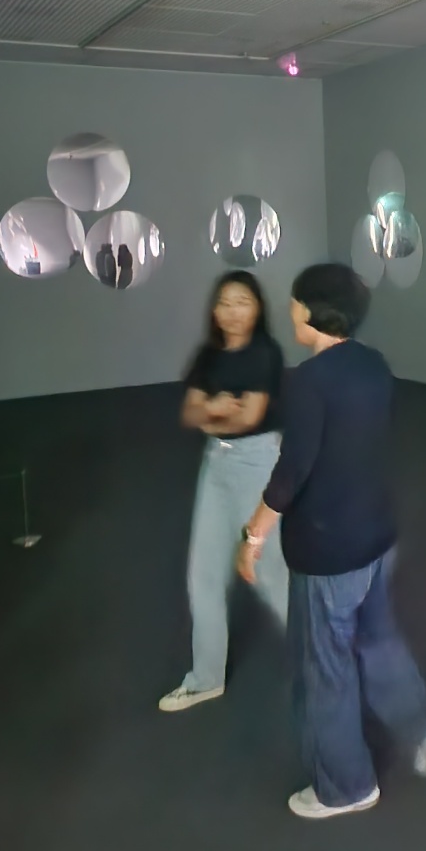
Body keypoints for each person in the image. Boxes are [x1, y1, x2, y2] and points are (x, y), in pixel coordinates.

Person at [238, 263, 426, 820]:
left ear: (312, 311)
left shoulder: (308, 382)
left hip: (329, 551)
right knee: (379, 639)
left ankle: (345, 786)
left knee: (326, 668)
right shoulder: (373, 365)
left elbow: (292, 471)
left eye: (295, 301)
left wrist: (254, 534)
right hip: (376, 536)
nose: (289, 309)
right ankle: (424, 732)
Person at [159, 271, 288, 712]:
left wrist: (209, 410)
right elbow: (188, 413)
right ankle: (205, 678)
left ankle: (325, 661)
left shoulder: (265, 353)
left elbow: (250, 417)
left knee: (271, 573)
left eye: (243, 302)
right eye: (225, 303)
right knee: (204, 575)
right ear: (214, 311)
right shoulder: (208, 355)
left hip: (257, 463)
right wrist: (216, 409)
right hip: (216, 464)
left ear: (258, 309)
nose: (233, 312)